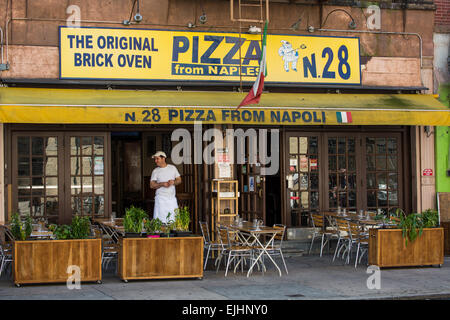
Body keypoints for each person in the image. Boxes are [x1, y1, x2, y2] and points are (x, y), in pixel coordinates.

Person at [150, 151, 182, 223]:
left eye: (157, 159)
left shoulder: (172, 168)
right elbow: (151, 185)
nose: (155, 161)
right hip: (160, 199)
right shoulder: (155, 171)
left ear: (163, 158)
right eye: (155, 159)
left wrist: (173, 182)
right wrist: (162, 184)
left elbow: (179, 180)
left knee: (174, 221)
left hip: (171, 199)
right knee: (159, 222)